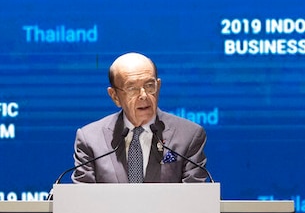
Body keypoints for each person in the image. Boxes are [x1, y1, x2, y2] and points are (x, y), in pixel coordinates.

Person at [72, 52, 208, 183]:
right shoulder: (90, 139)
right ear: (114, 96)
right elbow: (83, 199)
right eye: (132, 89)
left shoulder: (189, 135)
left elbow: (194, 199)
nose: (143, 95)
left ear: (158, 86)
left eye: (149, 86)